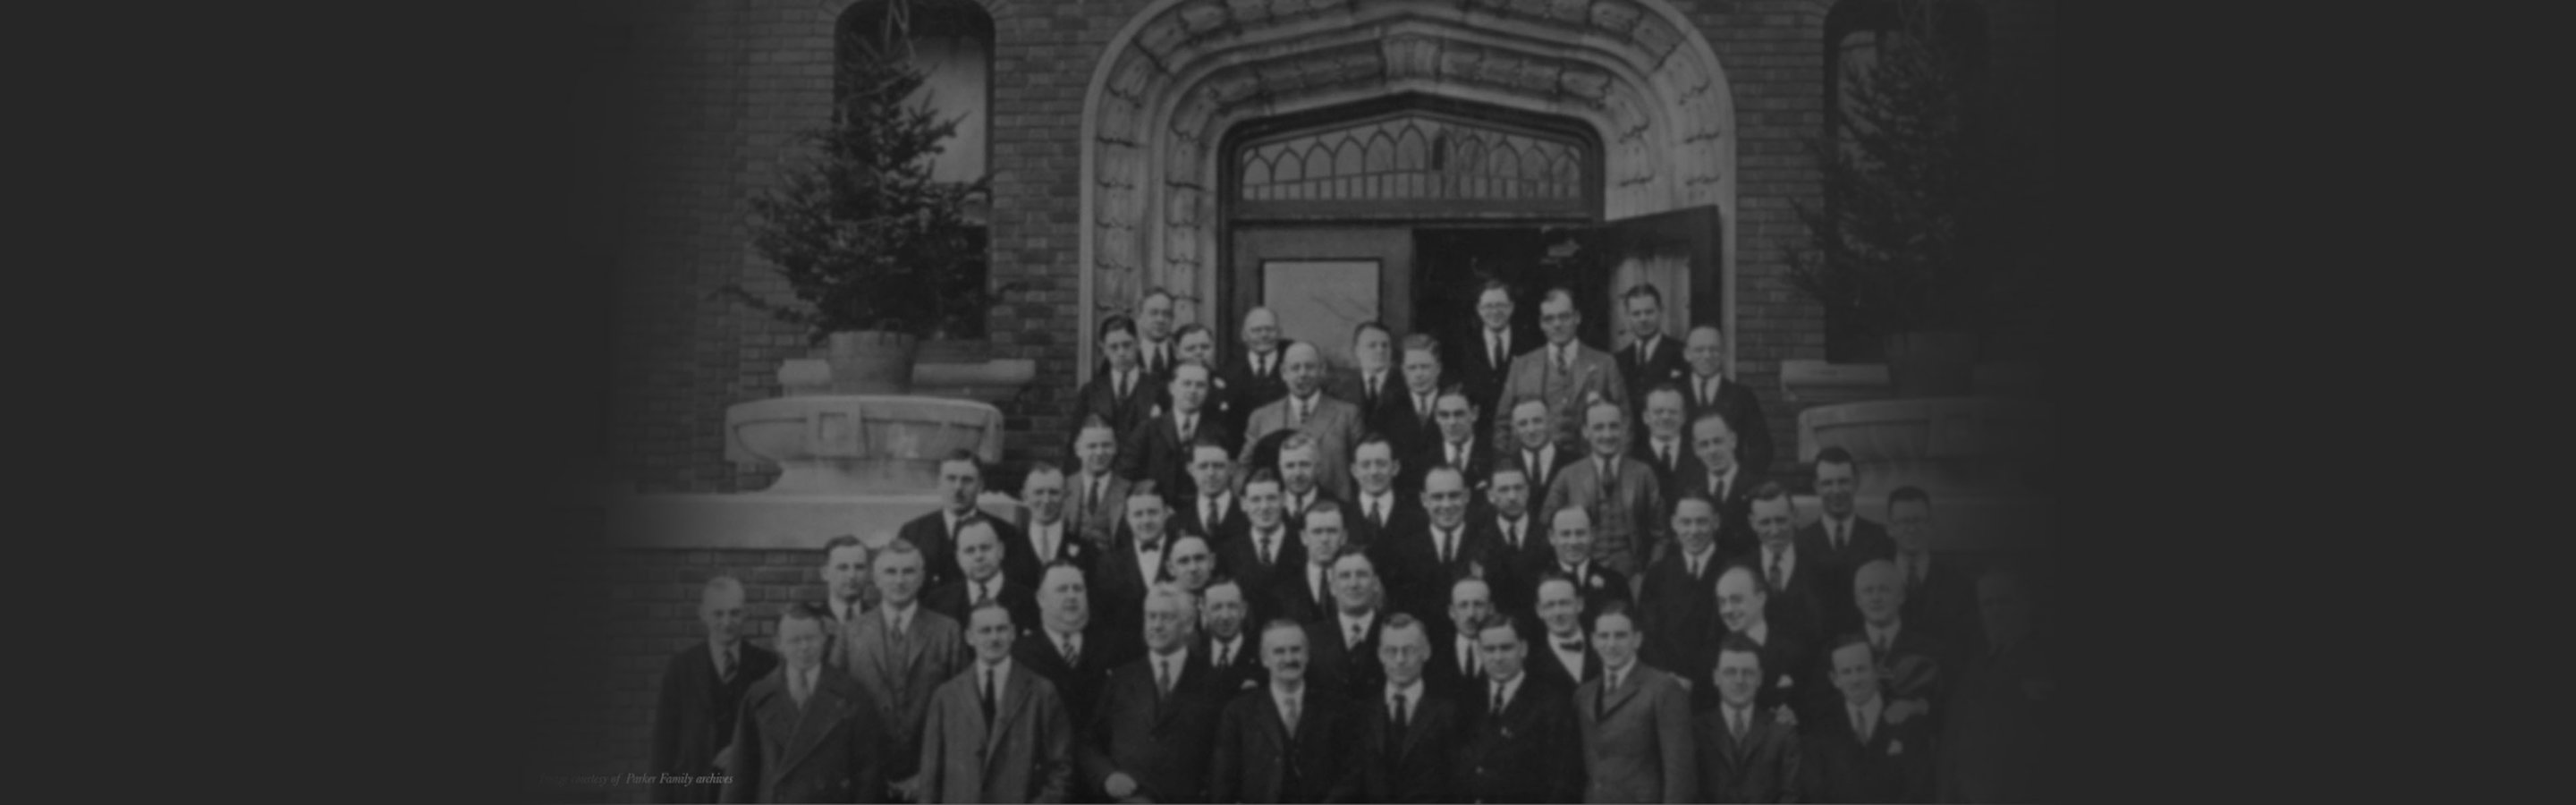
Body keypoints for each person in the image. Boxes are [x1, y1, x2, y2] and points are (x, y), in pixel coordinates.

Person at [833, 538, 967, 801]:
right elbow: (835, 709)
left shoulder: (946, 632)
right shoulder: (851, 633)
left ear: (922, 577)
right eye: (891, 572)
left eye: (908, 571)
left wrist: (927, 775)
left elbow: (961, 713)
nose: (899, 580)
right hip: (867, 779)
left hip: (928, 779)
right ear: (876, 578)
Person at [724, 603, 887, 804]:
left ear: (825, 640)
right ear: (778, 644)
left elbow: (868, 775)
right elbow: (740, 773)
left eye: (811, 639)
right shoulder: (759, 696)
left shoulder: (851, 695)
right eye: (794, 640)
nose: (804, 648)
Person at [916, 601, 1074, 803]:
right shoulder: (946, 696)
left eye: (1001, 629)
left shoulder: (1041, 692)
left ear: (1013, 633)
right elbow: (930, 777)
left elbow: (1061, 768)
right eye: (985, 631)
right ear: (969, 637)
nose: (994, 638)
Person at [1080, 584, 1226, 803]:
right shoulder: (1121, 679)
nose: (1156, 625)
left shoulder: (1214, 683)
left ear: (1187, 624)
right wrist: (1107, 776)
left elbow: (1224, 758)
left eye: (1166, 617)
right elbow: (1088, 743)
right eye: (1151, 616)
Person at [653, 577, 780, 804]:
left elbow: (777, 734)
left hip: (748, 790)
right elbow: (664, 744)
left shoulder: (767, 665)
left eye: (735, 613)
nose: (727, 622)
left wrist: (743, 750)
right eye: (718, 614)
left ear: (747, 613)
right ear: (703, 614)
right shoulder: (681, 668)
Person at [1936, 569, 2054, 804]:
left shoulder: (2045, 661)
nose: (1995, 611)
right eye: (1987, 604)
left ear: (2026, 604)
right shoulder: (1977, 663)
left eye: (2004, 601)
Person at [1208, 619, 1354, 804]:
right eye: (1279, 651)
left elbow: (1350, 776)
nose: (1289, 659)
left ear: (1307, 655)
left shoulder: (1335, 709)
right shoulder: (1239, 713)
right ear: (1264, 659)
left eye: (1296, 650)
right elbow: (1223, 782)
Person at [1572, 600, 1698, 804]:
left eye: (1620, 635)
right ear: (1594, 640)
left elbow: (1680, 774)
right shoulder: (1583, 695)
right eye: (1604, 636)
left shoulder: (1663, 688)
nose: (1611, 644)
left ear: (1637, 640)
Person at [1455, 615, 1583, 803]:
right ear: (1479, 652)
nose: (1498, 657)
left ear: (1523, 648)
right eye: (1489, 649)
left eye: (1506, 648)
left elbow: (1562, 781)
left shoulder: (1551, 703)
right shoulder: (1466, 701)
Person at [1335, 613, 1461, 802]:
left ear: (1426, 652)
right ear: (1380, 655)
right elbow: (1349, 782)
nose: (1400, 660)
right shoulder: (1361, 713)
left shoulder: (1449, 713)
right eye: (1391, 651)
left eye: (1409, 650)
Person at [1540, 399, 1669, 576]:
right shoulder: (1568, 475)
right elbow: (1546, 528)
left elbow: (1661, 536)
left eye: (1614, 426)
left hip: (1633, 576)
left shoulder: (1643, 474)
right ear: (1586, 431)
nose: (1607, 435)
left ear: (1623, 429)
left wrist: (1650, 575)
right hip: (1584, 576)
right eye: (1599, 428)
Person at [1492, 287, 1626, 454]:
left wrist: (1612, 468)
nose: (1557, 324)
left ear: (1577, 317)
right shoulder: (1522, 366)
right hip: (1537, 469)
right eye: (1549, 319)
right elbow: (1502, 423)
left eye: (1564, 317)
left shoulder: (1604, 363)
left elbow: (1624, 421)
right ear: (1541, 324)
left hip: (1590, 468)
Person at [1801, 636, 1934, 803]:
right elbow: (1815, 794)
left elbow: (1920, 790)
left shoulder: (1908, 720)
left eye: (1861, 669)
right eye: (1846, 672)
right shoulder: (1820, 729)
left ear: (1877, 670)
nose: (1855, 680)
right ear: (1835, 679)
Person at [1241, 342, 1366, 500]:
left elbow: (1362, 468)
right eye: (1295, 368)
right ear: (1283, 373)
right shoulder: (1262, 417)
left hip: (1333, 515)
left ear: (1322, 370)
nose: (1302, 374)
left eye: (1310, 367)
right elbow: (1243, 469)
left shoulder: (1347, 415)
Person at [1013, 561, 1129, 727]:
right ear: (1041, 599)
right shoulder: (1020, 654)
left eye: (1078, 588)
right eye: (1062, 589)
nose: (1071, 596)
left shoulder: (1112, 647)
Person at [1378, 464, 1495, 626]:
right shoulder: (1404, 552)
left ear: (1467, 496)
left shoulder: (1489, 546)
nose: (1446, 505)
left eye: (1454, 496)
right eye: (1437, 497)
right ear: (1424, 500)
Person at [1796, 447, 1894, 635]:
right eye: (1828, 483)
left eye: (1843, 482)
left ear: (1856, 483)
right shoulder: (1801, 542)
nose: (1836, 491)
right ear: (1816, 487)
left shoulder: (1879, 538)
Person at [1695, 634, 1804, 804]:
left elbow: (1791, 795)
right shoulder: (1695, 731)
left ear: (1759, 677)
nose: (1739, 680)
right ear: (1716, 677)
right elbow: (1690, 793)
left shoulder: (1782, 732)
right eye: (1730, 672)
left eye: (1748, 672)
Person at [895, 450, 1025, 591]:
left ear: (980, 485)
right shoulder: (913, 533)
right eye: (951, 479)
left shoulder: (1006, 533)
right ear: (939, 482)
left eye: (967, 480)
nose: (958, 487)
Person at [1711, 564, 1821, 722]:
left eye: (1736, 600)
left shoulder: (1795, 650)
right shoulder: (1713, 654)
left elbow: (1812, 711)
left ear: (1761, 599)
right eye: (1722, 602)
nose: (1727, 610)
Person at [1851, 558, 1953, 725]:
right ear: (1857, 600)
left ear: (1901, 596)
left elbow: (1949, 708)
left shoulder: (1932, 652)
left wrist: (1919, 707)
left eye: (1884, 589)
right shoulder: (1838, 650)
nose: (1876, 598)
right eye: (1868, 591)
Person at [1634, 495, 1724, 681]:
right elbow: (1647, 634)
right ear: (1674, 524)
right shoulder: (1658, 574)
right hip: (1667, 682)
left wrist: (1699, 681)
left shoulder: (1732, 570)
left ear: (1716, 522)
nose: (1693, 531)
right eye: (1686, 522)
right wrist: (1669, 677)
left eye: (1702, 522)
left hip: (1717, 682)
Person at [1121, 363, 1233, 502]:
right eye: (1186, 384)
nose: (1193, 390)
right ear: (1172, 388)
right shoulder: (1147, 430)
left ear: (1208, 390)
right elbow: (1126, 475)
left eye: (1200, 385)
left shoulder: (1219, 431)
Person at [1886, 487, 1981, 649]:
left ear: (1931, 525)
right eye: (1903, 522)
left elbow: (1971, 645)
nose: (1911, 529)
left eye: (1918, 520)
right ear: (1890, 528)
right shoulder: (1873, 581)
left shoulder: (1960, 584)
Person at [1678, 325, 1773, 477]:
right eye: (1699, 350)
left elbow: (1762, 448)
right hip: (1683, 491)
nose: (1707, 356)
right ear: (1687, 354)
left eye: (1713, 349)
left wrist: (1739, 481)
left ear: (1723, 353)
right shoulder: (1674, 394)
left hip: (1728, 489)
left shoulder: (1742, 396)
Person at [1092, 482, 1176, 653]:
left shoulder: (1182, 557)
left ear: (1167, 513)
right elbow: (1103, 622)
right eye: (1138, 514)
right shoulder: (1108, 564)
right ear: (1127, 517)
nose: (1145, 521)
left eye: (1152, 512)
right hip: (1126, 661)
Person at [922, 518, 1041, 636]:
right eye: (970, 550)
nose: (979, 556)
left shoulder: (1029, 601)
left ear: (1001, 550)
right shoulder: (937, 604)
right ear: (958, 558)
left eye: (985, 548)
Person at [1301, 547, 1389, 702]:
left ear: (1375, 583)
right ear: (1333, 587)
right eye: (1345, 576)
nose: (1353, 584)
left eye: (1361, 575)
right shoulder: (1309, 638)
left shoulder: (1393, 633)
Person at [1741, 482, 1827, 640]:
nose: (1774, 531)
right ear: (1752, 523)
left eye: (1781, 521)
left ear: (1794, 516)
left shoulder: (1822, 569)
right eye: (1765, 523)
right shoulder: (1740, 571)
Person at [1519, 504, 1632, 621]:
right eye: (1565, 534)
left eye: (1580, 533)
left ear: (1592, 535)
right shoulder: (1534, 584)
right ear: (1552, 537)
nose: (1573, 542)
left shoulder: (1615, 583)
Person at [1676, 411, 1764, 558]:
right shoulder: (1686, 487)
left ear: (1733, 440)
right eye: (1704, 444)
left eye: (1718, 441)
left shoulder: (1757, 487)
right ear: (1696, 450)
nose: (1712, 451)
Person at [1072, 313, 1158, 458]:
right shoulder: (1090, 392)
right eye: (1114, 347)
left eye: (1127, 345)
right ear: (1103, 348)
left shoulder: (1157, 388)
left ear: (1137, 343)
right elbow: (1075, 444)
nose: (1121, 352)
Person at [1455, 281, 1533, 437]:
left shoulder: (1529, 343)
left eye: (1501, 305)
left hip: (1519, 432)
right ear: (1478, 309)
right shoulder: (1463, 344)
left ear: (1511, 307)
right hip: (1476, 433)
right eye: (1488, 306)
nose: (1495, 311)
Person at [1217, 469, 1303, 606]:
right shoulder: (1228, 551)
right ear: (1243, 504)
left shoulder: (1303, 544)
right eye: (1256, 500)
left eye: (1271, 498)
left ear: (1283, 500)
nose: (1264, 507)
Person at [1479, 462, 1553, 617]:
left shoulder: (1547, 536)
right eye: (1504, 490)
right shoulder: (1480, 538)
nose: (1512, 497)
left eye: (1518, 488)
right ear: (1490, 495)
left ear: (1527, 491)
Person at [1013, 462, 1097, 587]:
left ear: (1065, 496)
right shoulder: (1008, 549)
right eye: (1038, 492)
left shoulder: (1087, 551)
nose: (1046, 500)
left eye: (1054, 492)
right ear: (1024, 497)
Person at [1269, 501, 1348, 625]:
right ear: (1304, 537)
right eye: (1317, 532)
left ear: (1344, 537)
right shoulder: (1282, 587)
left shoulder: (1356, 582)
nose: (1324, 539)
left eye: (1332, 531)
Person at [1403, 386, 1489, 498]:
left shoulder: (1492, 457)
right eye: (1444, 415)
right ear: (1436, 417)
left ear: (1474, 414)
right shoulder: (1421, 461)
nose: (1452, 422)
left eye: (1459, 414)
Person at [1220, 307, 1292, 439]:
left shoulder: (1292, 365)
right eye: (1256, 330)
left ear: (1280, 333)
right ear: (1244, 336)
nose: (1264, 335)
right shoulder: (1229, 371)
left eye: (1270, 329)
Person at [1615, 284, 1689, 411]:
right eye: (1636, 314)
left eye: (1649, 312)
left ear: (1661, 311)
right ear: (1627, 316)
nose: (1643, 319)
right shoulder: (1618, 360)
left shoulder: (1681, 352)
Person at [1066, 418, 1136, 551]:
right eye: (1092, 446)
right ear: (1078, 449)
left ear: (1115, 448)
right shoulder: (1063, 487)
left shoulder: (1130, 490)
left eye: (1106, 445)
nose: (1099, 452)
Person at [1342, 435, 1420, 551]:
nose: (1374, 472)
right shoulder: (1341, 517)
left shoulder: (1417, 519)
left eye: (1381, 464)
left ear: (1395, 468)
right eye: (1365, 465)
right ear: (1354, 471)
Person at [1424, 576, 1496, 700]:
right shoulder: (1433, 655)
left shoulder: (1503, 651)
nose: (1471, 614)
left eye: (1478, 605)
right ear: (1451, 612)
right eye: (1463, 605)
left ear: (1491, 609)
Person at [1380, 334, 1448, 466]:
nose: (1419, 374)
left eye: (1425, 367)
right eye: (1412, 368)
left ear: (1438, 369)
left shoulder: (1453, 404)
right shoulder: (1389, 409)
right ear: (1403, 371)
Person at [1174, 325, 1242, 453]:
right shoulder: (1167, 389)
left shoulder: (1229, 387)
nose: (1199, 352)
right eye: (1190, 348)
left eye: (1205, 347)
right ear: (1177, 353)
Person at [1524, 573, 1599, 691]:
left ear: (1580, 604)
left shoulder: (1602, 646)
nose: (1558, 613)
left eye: (1564, 603)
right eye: (1550, 605)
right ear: (1539, 611)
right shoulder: (1530, 661)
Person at [1167, 438, 1248, 543]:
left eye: (1218, 466)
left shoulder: (1248, 514)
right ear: (1190, 469)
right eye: (1203, 466)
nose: (1211, 473)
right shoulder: (1176, 522)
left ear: (1231, 468)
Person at [1331, 320, 1403, 437]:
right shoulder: (1340, 390)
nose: (1380, 350)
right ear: (1357, 351)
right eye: (1372, 345)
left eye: (1385, 345)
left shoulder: (1405, 385)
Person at [1199, 577, 1268, 694]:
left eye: (1232, 606)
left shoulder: (1262, 654)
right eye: (1217, 607)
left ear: (1243, 610)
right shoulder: (1195, 654)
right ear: (1204, 611)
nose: (1225, 616)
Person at [1627, 385, 1693, 504]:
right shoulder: (1632, 458)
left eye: (1673, 412)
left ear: (1684, 417)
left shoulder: (1698, 453)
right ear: (1645, 417)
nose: (1666, 417)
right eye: (1658, 412)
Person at [1503, 397, 1580, 498]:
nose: (1531, 430)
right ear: (1514, 428)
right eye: (1523, 424)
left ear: (1550, 421)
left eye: (1537, 421)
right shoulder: (1506, 466)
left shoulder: (1574, 463)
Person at [817, 534, 877, 649]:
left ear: (869, 573)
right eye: (843, 567)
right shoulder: (812, 622)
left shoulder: (881, 622)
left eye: (859, 567)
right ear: (825, 573)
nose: (852, 575)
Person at [1135, 287, 1179, 379]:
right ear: (1140, 316)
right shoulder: (1126, 355)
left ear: (1172, 319)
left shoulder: (1180, 356)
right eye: (1153, 313)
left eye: (1166, 314)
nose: (1160, 320)